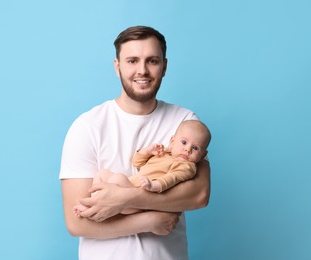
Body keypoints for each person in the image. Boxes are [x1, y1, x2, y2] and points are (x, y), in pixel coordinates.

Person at [59, 25, 211, 260]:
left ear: (165, 67)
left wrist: (125, 198)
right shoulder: (87, 126)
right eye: (132, 61)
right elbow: (76, 222)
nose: (142, 70)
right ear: (117, 67)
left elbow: (199, 194)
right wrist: (149, 220)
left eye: (152, 61)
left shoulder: (185, 122)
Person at [73, 120, 211, 216]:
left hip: (139, 198)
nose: (187, 150)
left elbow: (172, 179)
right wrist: (147, 152)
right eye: (184, 142)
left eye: (195, 148)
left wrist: (154, 185)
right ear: (172, 141)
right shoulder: (164, 153)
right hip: (130, 184)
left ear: (203, 154)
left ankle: (96, 204)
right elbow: (137, 163)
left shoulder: (187, 166)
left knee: (118, 178)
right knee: (102, 174)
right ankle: (93, 203)